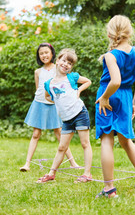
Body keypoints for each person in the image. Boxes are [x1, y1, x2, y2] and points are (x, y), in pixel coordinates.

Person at [95, 15, 135, 198]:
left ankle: (109, 189)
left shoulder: (111, 55)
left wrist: (104, 98)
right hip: (126, 97)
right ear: (129, 31)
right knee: (126, 140)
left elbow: (115, 81)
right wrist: (134, 103)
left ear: (111, 34)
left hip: (109, 96)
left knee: (106, 139)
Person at [20, 43, 79, 172]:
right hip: (39, 104)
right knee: (36, 134)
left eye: (46, 52)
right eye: (41, 53)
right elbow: (39, 89)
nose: (44, 55)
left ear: (52, 54)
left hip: (54, 105)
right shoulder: (37, 72)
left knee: (59, 133)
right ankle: (27, 164)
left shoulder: (57, 67)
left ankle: (73, 162)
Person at [36, 48, 93, 183]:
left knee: (85, 143)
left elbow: (88, 81)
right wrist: (57, 100)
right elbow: (48, 96)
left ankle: (87, 174)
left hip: (80, 113)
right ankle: (51, 174)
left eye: (70, 63)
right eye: (64, 61)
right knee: (62, 147)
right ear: (57, 61)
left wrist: (78, 90)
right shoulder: (48, 84)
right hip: (66, 119)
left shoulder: (72, 77)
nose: (66, 64)